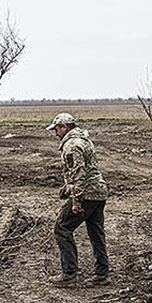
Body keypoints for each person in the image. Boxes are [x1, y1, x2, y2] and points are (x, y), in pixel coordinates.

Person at [47, 113, 109, 286]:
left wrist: (76, 201)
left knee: (62, 227)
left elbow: (79, 174)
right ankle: (102, 274)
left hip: (87, 194)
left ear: (64, 127)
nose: (55, 133)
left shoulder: (72, 145)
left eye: (57, 129)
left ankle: (69, 273)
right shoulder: (84, 139)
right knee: (96, 233)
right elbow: (88, 170)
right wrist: (67, 188)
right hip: (99, 191)